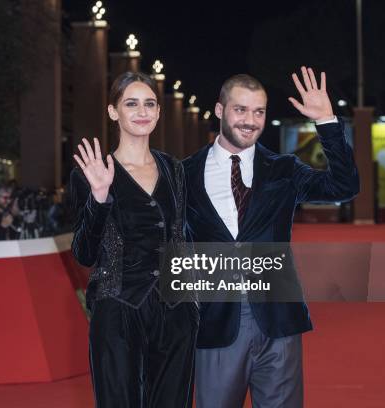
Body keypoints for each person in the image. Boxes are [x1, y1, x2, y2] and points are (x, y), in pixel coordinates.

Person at [184, 67, 359, 407]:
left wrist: (326, 122)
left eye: (259, 112)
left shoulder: (284, 170)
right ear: (220, 110)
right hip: (215, 324)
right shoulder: (183, 174)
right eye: (241, 109)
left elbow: (345, 186)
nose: (250, 120)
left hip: (279, 324)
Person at [69, 71, 198, 407]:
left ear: (157, 112)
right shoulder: (90, 171)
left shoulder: (174, 169)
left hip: (175, 310)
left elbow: (178, 236)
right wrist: (99, 197)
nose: (142, 111)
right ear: (114, 112)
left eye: (149, 104)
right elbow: (83, 253)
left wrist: (191, 302)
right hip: (117, 308)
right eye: (131, 103)